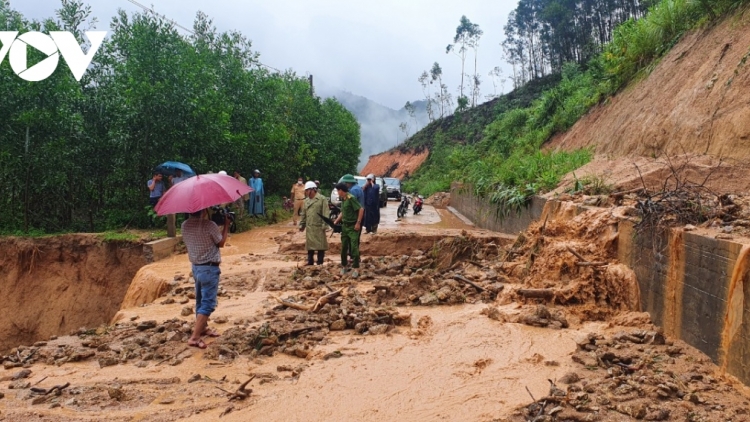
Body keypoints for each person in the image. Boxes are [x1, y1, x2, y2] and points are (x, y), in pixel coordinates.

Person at [181, 208, 230, 349]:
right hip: (209, 268)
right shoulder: (210, 225)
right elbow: (221, 243)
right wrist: (226, 225)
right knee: (208, 303)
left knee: (200, 300)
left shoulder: (185, 225)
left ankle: (202, 328)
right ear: (204, 211)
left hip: (196, 267)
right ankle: (195, 338)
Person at [333, 182, 363, 278]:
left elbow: (361, 209)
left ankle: (356, 268)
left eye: (338, 190)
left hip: (353, 227)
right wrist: (336, 221)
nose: (337, 192)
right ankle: (344, 266)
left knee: (354, 247)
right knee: (343, 248)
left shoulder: (351, 198)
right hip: (345, 227)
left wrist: (358, 223)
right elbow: (343, 211)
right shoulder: (344, 199)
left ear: (341, 190)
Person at [299, 181, 329, 266]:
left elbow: (325, 212)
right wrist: (302, 224)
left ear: (312, 190)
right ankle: (310, 261)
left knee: (320, 246)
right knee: (310, 246)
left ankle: (320, 262)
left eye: (307, 190)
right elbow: (304, 214)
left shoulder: (322, 199)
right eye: (306, 191)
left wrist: (325, 225)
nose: (306, 192)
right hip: (310, 226)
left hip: (319, 226)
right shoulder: (306, 201)